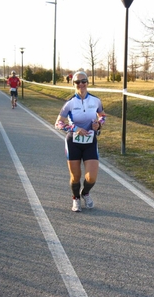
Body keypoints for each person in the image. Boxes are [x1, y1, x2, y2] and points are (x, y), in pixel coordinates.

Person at [55, 71, 106, 212]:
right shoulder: (70, 103)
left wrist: (99, 123)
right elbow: (58, 123)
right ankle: (75, 198)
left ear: (88, 83)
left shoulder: (96, 101)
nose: (81, 84)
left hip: (90, 142)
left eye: (84, 81)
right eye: (78, 82)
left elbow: (102, 115)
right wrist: (74, 128)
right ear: (73, 84)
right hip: (74, 143)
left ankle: (85, 193)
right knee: (75, 176)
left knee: (91, 178)